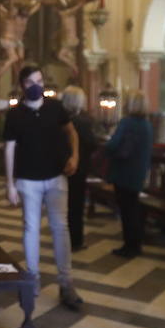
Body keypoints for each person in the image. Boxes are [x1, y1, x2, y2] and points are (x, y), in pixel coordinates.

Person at [4, 64, 82, 309]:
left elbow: (72, 132)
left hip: (56, 177)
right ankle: (33, 278)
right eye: (30, 83)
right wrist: (10, 184)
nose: (36, 86)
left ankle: (66, 282)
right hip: (28, 180)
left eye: (39, 81)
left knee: (61, 228)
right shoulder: (15, 114)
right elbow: (9, 149)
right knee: (31, 229)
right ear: (22, 86)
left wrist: (75, 156)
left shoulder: (55, 108)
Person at [105, 90, 153, 258]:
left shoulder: (127, 122)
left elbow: (113, 145)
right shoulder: (147, 125)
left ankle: (129, 247)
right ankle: (136, 245)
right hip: (139, 173)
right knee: (134, 210)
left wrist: (107, 142)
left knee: (127, 212)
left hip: (124, 172)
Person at [61, 86, 97, 250]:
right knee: (76, 205)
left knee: (64, 204)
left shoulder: (60, 119)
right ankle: (76, 240)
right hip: (79, 168)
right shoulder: (82, 121)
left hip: (62, 167)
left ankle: (64, 237)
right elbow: (92, 144)